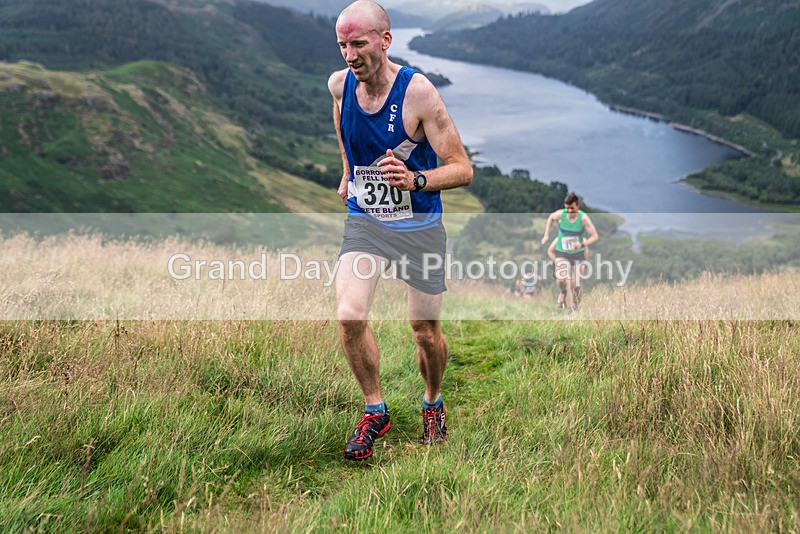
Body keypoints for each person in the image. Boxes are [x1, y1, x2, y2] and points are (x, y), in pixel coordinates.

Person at [328, 0, 473, 461]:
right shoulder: (339, 86)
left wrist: (415, 180)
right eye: (342, 45)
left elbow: (462, 168)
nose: (349, 55)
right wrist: (349, 169)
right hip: (366, 220)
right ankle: (376, 410)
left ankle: (432, 401)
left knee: (424, 331)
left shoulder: (419, 93)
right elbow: (340, 119)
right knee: (349, 315)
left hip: (420, 226)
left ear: (385, 41)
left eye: (359, 43)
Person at [541, 193, 598, 312]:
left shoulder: (583, 218)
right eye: (567, 208)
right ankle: (562, 292)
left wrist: (582, 244)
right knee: (562, 280)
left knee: (577, 285)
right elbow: (551, 217)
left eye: (572, 208)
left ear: (577, 206)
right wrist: (546, 235)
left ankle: (575, 309)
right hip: (562, 252)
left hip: (578, 253)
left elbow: (594, 236)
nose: (569, 210)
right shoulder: (561, 214)